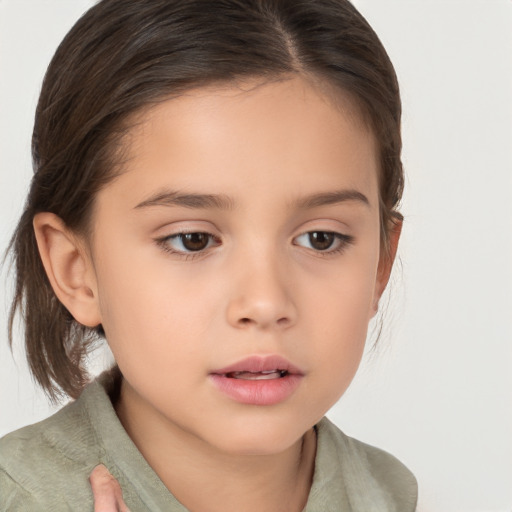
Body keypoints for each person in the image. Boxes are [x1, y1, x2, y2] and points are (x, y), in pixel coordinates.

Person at [0, 0, 418, 510]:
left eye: (320, 239)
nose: (265, 303)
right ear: (76, 270)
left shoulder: (391, 494)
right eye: (192, 239)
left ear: (380, 264)